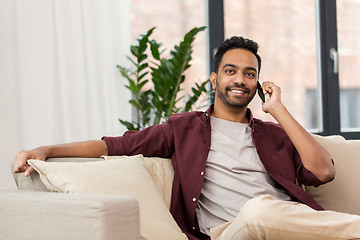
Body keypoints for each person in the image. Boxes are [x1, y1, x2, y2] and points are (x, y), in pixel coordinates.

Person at [14, 36, 360, 240]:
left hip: (287, 228)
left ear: (258, 83)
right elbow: (114, 145)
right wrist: (46, 149)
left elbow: (324, 171)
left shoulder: (273, 135)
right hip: (234, 231)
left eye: (250, 74)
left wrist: (279, 110)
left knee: (270, 212)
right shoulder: (183, 129)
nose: (240, 79)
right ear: (214, 80)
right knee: (259, 210)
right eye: (231, 71)